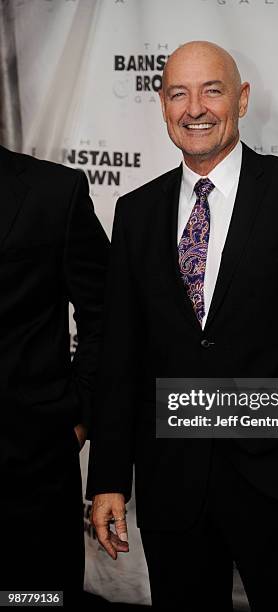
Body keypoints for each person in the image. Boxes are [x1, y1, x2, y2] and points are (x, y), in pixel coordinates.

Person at [87, 41, 278, 611]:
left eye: (211, 90)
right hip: (173, 488)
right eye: (178, 94)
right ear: (163, 107)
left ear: (240, 98)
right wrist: (109, 477)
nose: (195, 108)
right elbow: (120, 358)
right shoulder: (135, 213)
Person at [0, 145, 109, 604]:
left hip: (29, 472)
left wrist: (81, 413)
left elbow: (105, 313)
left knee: (32, 599)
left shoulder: (53, 191)